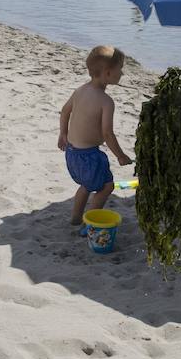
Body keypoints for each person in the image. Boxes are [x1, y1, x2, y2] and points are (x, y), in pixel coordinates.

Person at [58, 45, 133, 227]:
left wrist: (63, 133)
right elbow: (107, 133)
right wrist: (120, 156)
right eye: (120, 69)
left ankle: (76, 217)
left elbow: (64, 111)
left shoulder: (80, 90)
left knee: (86, 185)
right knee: (106, 186)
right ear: (107, 73)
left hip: (72, 152)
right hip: (89, 156)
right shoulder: (106, 102)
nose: (122, 73)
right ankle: (89, 222)